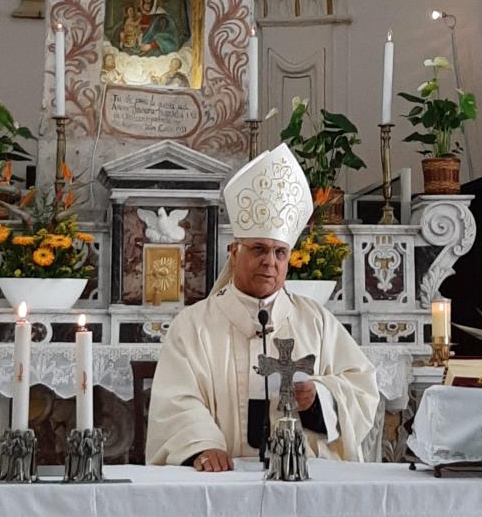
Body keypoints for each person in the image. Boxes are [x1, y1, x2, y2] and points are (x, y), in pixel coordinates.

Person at [146, 143, 379, 471]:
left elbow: (362, 386)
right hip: (222, 480)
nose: (270, 262)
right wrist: (203, 445)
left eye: (279, 252)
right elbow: (178, 400)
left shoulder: (316, 321)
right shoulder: (193, 325)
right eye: (258, 249)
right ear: (234, 251)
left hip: (302, 479)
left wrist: (320, 397)